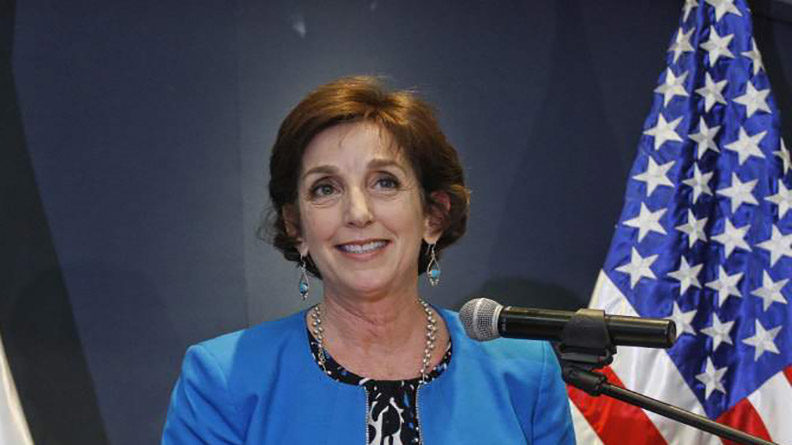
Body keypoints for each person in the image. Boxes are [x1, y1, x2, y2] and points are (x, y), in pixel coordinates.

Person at [162, 76, 576, 444]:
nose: (358, 213)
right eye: (325, 188)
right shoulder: (226, 378)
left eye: (384, 182)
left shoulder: (524, 371)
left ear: (433, 215)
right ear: (296, 226)